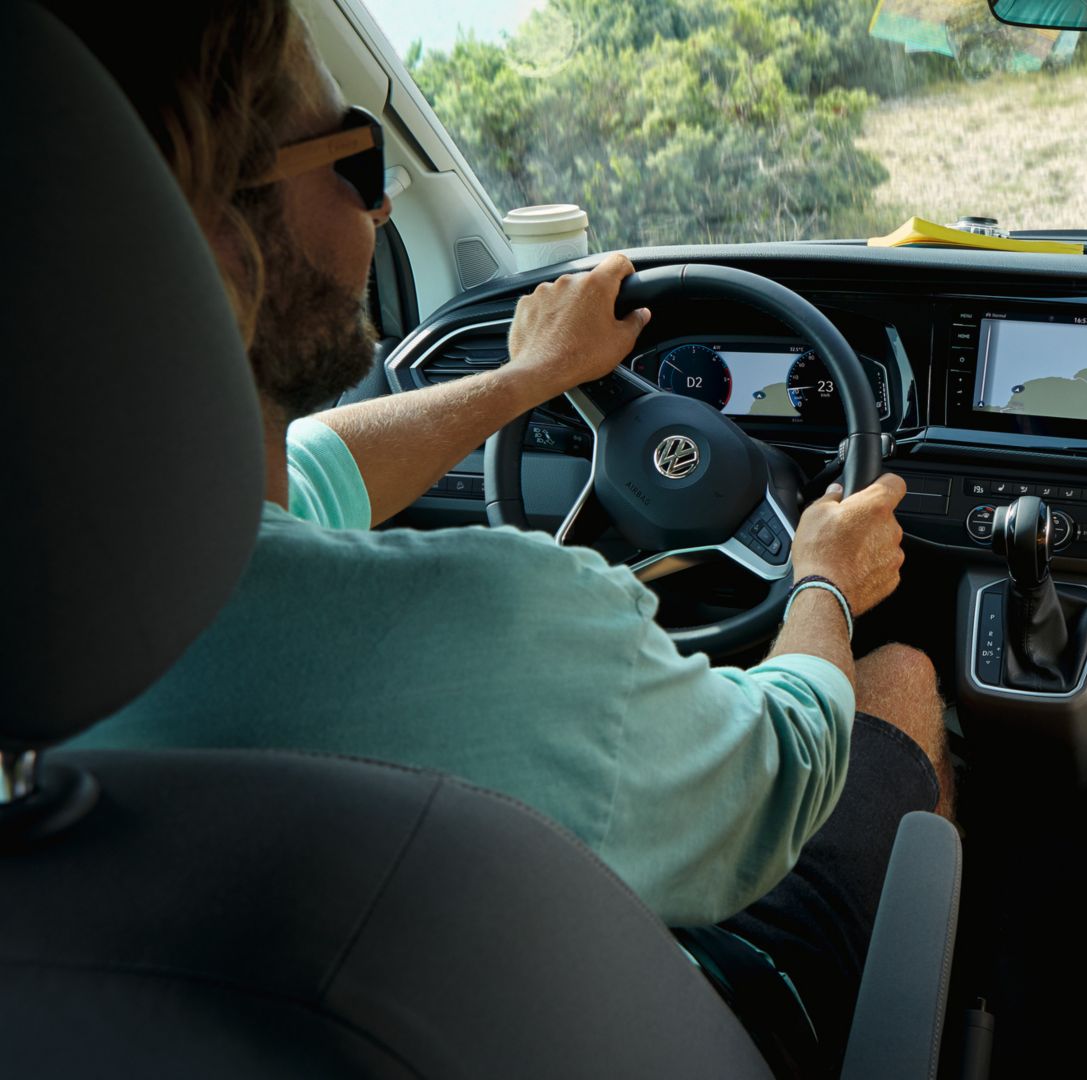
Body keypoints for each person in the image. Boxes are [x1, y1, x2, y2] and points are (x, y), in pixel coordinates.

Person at [52, 2, 950, 1075]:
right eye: (356, 156)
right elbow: (781, 769)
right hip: (662, 1019)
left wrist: (530, 382)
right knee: (894, 682)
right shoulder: (510, 622)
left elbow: (317, 473)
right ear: (214, 240)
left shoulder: (88, 593)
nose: (382, 205)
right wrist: (826, 583)